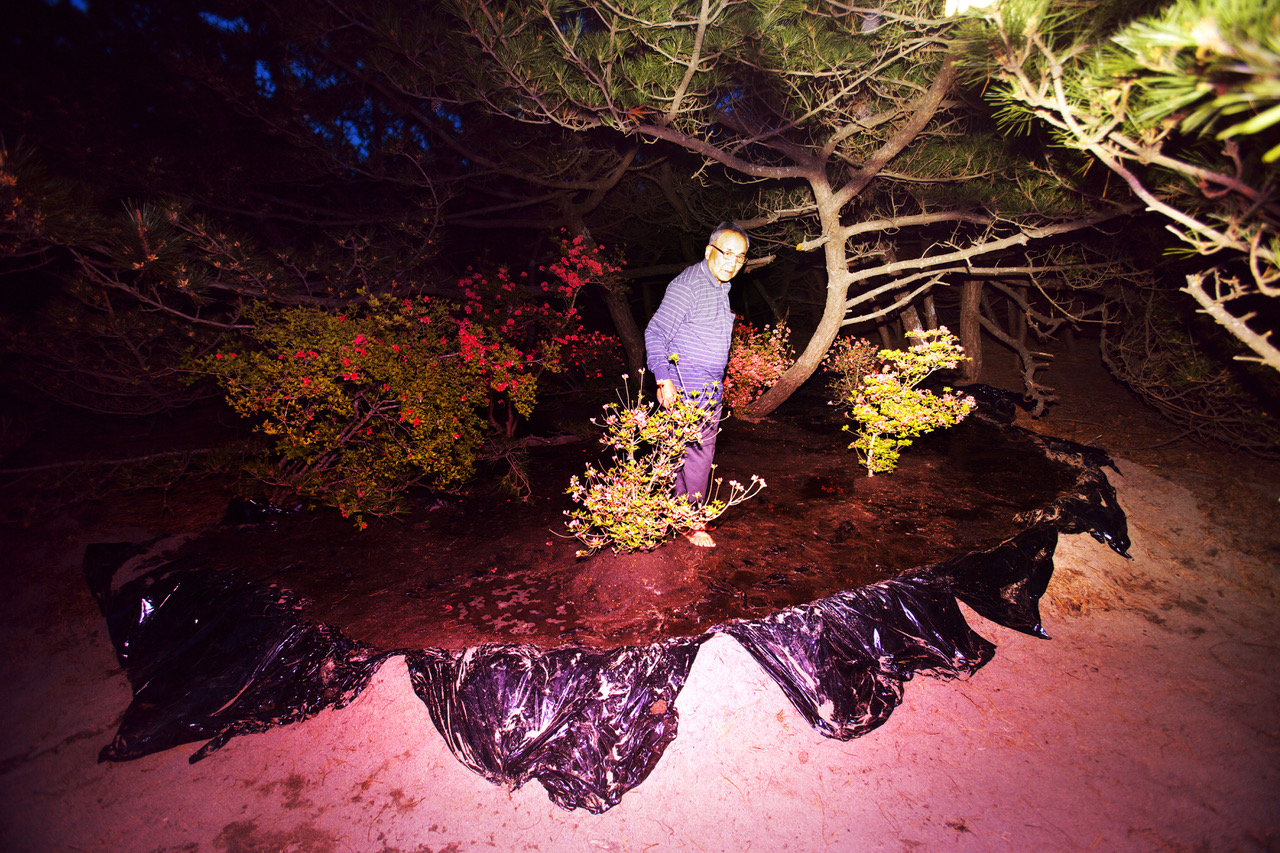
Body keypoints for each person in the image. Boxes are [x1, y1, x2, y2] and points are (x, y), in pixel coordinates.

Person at [644, 221, 750, 548]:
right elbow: (656, 333)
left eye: (740, 257)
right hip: (684, 385)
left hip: (708, 388)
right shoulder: (689, 285)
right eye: (726, 253)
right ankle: (691, 523)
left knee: (682, 456)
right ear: (709, 251)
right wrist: (664, 379)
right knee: (698, 457)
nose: (733, 262)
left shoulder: (720, 285)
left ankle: (671, 516)